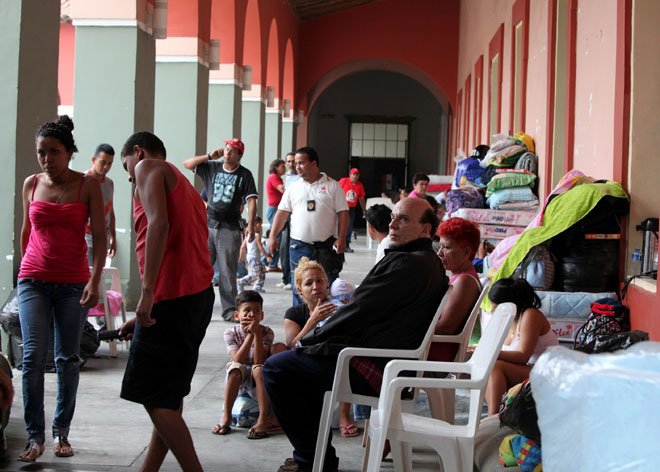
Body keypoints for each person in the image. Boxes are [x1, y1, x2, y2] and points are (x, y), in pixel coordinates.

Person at [263, 197, 448, 472]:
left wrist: (312, 338)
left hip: (373, 366)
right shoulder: (422, 260)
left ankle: (312, 461)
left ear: (426, 230)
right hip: (382, 359)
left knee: (277, 369)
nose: (393, 224)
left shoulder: (409, 264)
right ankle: (316, 459)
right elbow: (367, 306)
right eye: (394, 217)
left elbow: (360, 310)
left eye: (404, 219)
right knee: (301, 366)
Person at [118, 131, 215, 472]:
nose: (131, 177)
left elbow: (159, 224)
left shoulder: (148, 167)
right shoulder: (184, 184)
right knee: (167, 397)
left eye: (127, 166)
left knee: (152, 395)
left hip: (171, 297)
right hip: (195, 297)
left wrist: (146, 295)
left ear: (138, 152)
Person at [17, 115, 106, 462]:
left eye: (53, 152)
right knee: (31, 357)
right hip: (33, 280)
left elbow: (99, 238)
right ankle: (35, 436)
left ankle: (60, 432)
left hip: (73, 284)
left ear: (69, 153)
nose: (46, 159)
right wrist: (26, 269)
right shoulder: (31, 184)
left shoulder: (87, 186)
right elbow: (27, 232)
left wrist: (94, 279)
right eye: (41, 152)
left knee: (67, 358)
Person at [183, 138, 258, 320]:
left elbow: (252, 201)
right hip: (207, 225)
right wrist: (208, 156)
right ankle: (195, 307)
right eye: (226, 149)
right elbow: (187, 164)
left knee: (226, 271)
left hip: (229, 228)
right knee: (201, 268)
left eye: (232, 151)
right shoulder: (211, 167)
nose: (227, 153)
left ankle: (229, 311)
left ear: (240, 155)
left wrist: (251, 224)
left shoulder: (244, 175)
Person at [267, 146, 349, 305]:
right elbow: (282, 213)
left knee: (329, 285)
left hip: (326, 246)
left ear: (314, 163)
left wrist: (341, 237)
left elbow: (343, 213)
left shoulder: (333, 186)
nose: (297, 166)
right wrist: (272, 237)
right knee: (299, 288)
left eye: (301, 163)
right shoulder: (293, 188)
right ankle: (300, 324)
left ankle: (327, 323)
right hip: (299, 246)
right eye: (296, 163)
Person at [484, 278, 559, 415]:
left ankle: (493, 417)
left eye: (496, 306)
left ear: (511, 304)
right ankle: (496, 414)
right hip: (529, 371)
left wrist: (490, 353)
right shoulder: (508, 319)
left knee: (495, 366)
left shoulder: (531, 315)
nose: (493, 310)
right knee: (484, 367)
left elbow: (523, 356)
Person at [213, 290, 277, 439]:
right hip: (239, 373)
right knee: (235, 368)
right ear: (237, 315)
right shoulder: (230, 333)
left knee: (259, 369)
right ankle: (226, 417)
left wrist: (257, 335)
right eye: (246, 310)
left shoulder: (267, 332)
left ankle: (262, 419)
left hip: (257, 375)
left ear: (262, 315)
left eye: (257, 310)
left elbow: (259, 361)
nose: (252, 314)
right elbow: (237, 359)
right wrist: (249, 336)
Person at [428, 218, 483, 363]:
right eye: (439, 247)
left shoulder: (465, 281)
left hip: (432, 359)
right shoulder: (459, 278)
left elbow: (446, 327)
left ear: (466, 252)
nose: (439, 253)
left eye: (446, 247)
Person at [85, 143, 117, 263]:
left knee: (99, 277)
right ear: (94, 160)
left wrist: (113, 238)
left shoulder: (109, 183)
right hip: (86, 239)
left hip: (103, 238)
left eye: (110, 163)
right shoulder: (82, 181)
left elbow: (111, 212)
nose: (106, 167)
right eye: (103, 162)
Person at [276, 152, 299, 291]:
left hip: (295, 216)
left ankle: (292, 279)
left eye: (293, 161)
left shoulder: (300, 178)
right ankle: (286, 278)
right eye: (288, 161)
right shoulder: (287, 177)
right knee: (284, 248)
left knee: (292, 248)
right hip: (286, 215)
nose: (291, 164)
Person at [238, 216, 272, 293]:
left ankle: (258, 286)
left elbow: (243, 246)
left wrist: (241, 256)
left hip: (251, 258)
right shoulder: (257, 235)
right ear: (257, 224)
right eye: (261, 225)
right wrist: (267, 256)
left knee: (262, 271)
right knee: (255, 273)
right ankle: (241, 282)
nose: (261, 227)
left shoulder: (247, 235)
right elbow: (260, 246)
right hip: (254, 258)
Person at [338, 168, 367, 253]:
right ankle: (336, 243)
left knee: (349, 226)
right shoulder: (344, 181)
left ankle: (346, 244)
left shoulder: (359, 185)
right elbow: (335, 190)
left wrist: (364, 210)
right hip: (341, 207)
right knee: (338, 225)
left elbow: (361, 198)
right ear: (350, 175)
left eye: (357, 175)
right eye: (353, 174)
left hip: (351, 209)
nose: (355, 176)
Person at [266, 158, 286, 270]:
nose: (284, 169)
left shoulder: (276, 178)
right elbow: (282, 189)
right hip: (274, 209)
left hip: (275, 208)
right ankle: (271, 263)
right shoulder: (274, 177)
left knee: (276, 235)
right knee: (276, 236)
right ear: (276, 167)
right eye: (282, 167)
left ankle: (269, 261)